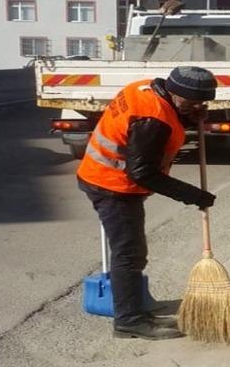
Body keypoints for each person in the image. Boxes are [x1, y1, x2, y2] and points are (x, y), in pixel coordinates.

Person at [77, 67, 218, 340]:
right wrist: (193, 196)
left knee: (132, 253)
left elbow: (165, 119)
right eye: (191, 103)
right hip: (112, 187)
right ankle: (129, 321)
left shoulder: (146, 89)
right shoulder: (152, 118)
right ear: (174, 92)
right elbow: (142, 172)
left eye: (202, 103)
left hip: (104, 178)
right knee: (129, 255)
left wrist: (188, 115)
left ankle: (133, 309)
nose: (197, 107)